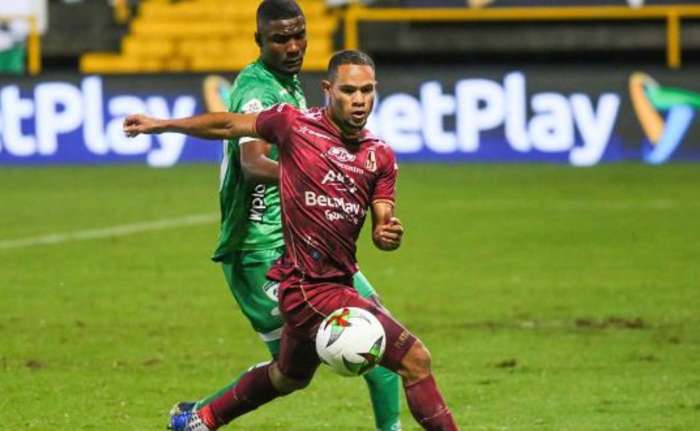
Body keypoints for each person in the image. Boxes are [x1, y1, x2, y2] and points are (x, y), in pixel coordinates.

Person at [124, 49, 458, 431]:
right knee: (415, 359)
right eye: (348, 90)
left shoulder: (379, 156)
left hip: (336, 280)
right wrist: (162, 125)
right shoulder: (294, 125)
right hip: (308, 287)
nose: (359, 100)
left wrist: (386, 233)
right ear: (328, 90)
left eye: (366, 90)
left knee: (288, 377)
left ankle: (200, 419)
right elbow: (229, 125)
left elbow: (383, 222)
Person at [170, 1, 402, 430]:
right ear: (259, 41)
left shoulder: (288, 84)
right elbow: (253, 163)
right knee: (292, 373)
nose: (293, 47)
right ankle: (197, 417)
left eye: (299, 36)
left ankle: (196, 417)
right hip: (258, 250)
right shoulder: (258, 90)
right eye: (280, 39)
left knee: (380, 342)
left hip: (305, 246)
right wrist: (320, 178)